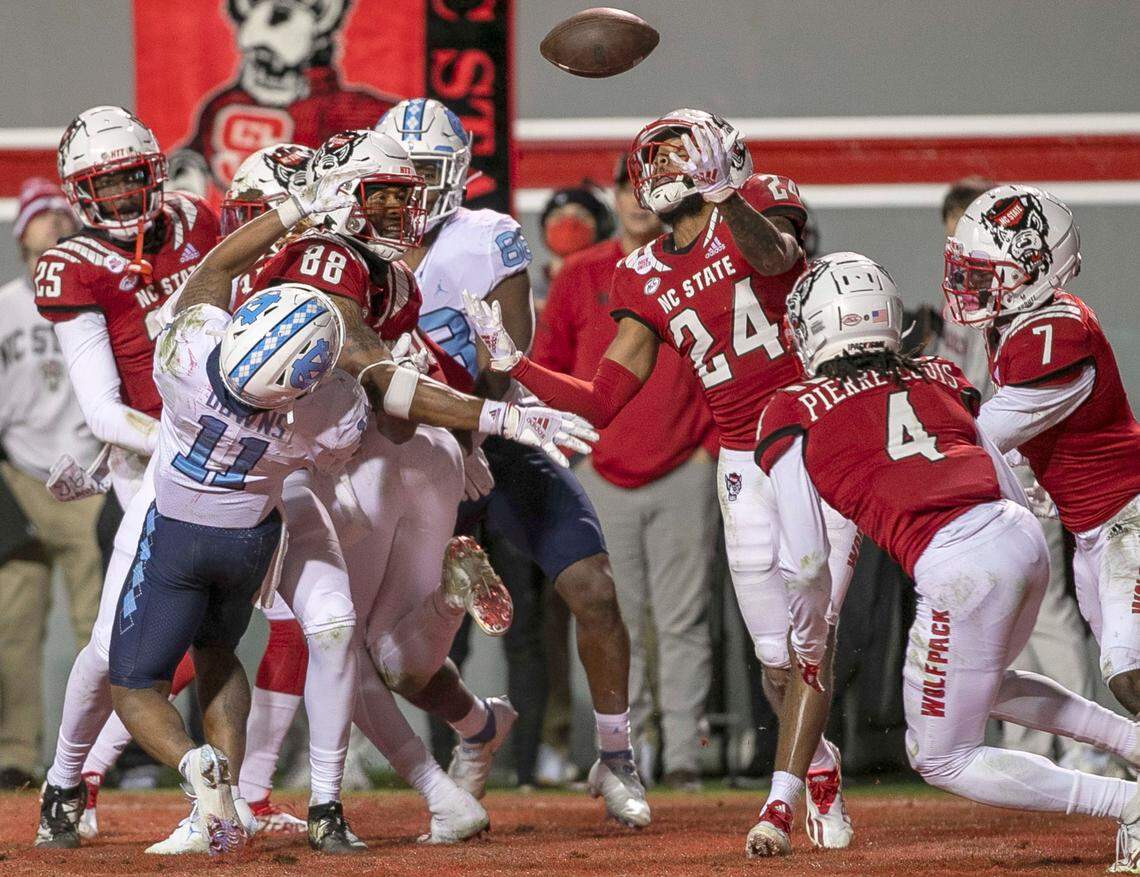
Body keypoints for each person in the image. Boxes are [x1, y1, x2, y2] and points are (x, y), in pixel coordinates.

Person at [465, 109, 858, 849]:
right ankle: (819, 758)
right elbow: (605, 396)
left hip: (815, 439)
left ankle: (779, 801)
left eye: (685, 159)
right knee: (777, 656)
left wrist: (727, 194)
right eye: (662, 161)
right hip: (744, 459)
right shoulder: (639, 273)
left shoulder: (759, 201)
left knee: (813, 635)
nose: (668, 174)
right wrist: (518, 366)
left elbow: (776, 258)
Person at [245, 127, 600, 838]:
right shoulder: (371, 268)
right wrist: (482, 429)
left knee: (335, 640)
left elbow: (388, 373)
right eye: (383, 197)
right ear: (345, 194)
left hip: (337, 467)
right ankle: (450, 623)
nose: (398, 213)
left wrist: (492, 422)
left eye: (400, 199)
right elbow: (418, 364)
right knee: (386, 650)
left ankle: (421, 793)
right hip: (419, 460)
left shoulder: (345, 261)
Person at [753, 251, 1140, 873]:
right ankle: (1132, 744)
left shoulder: (792, 406)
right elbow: (992, 464)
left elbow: (802, 560)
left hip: (959, 565)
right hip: (1018, 536)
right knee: (982, 685)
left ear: (816, 327)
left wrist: (806, 636)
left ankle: (1128, 802)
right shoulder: (934, 372)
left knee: (940, 757)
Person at [376, 99, 651, 826]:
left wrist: (473, 402)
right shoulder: (350, 247)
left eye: (425, 174)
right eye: (397, 176)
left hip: (495, 434)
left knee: (591, 586)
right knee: (398, 655)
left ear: (457, 174)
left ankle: (616, 756)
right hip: (409, 454)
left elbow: (505, 364)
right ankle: (475, 726)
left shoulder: (487, 235)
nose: (409, 192)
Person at [107, 171, 369, 854]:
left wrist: (293, 207)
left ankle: (200, 775)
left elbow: (219, 265)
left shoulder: (187, 355)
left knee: (134, 685)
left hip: (177, 536)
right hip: (252, 540)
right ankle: (230, 815)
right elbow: (344, 440)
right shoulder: (318, 412)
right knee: (220, 653)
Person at [531, 154, 718, 789]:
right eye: (628, 188)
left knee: (681, 619)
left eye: (650, 189)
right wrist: (573, 450)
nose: (639, 201)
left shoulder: (698, 267)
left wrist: (708, 450)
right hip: (602, 470)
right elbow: (547, 362)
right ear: (611, 196)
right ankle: (627, 752)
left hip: (683, 464)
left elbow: (729, 357)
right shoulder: (582, 274)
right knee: (617, 617)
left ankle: (686, 754)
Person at [943, 185, 1140, 717]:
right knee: (1122, 675)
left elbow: (984, 435)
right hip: (1091, 531)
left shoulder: (1056, 334)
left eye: (984, 270)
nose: (967, 282)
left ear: (1031, 268)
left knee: (1128, 671)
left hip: (1128, 520)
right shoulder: (1019, 324)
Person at [0, 179, 103, 789]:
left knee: (105, 625)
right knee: (14, 625)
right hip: (21, 476)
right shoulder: (5, 305)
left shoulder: (96, 299)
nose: (56, 222)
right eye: (42, 216)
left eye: (63, 215)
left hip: (88, 477)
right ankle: (14, 754)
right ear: (22, 239)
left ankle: (102, 757)